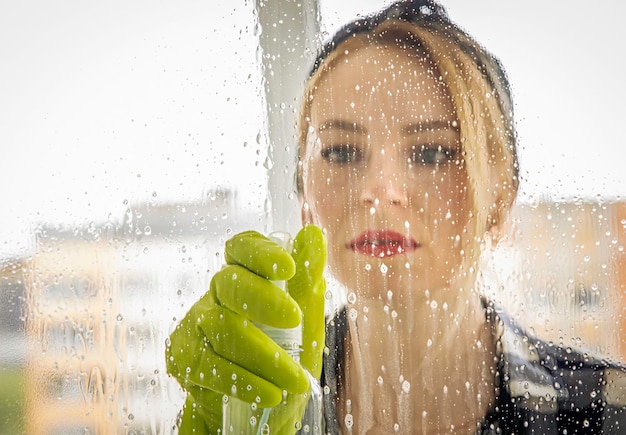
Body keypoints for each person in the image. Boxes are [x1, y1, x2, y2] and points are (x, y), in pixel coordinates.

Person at [166, 0, 626, 433]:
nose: (377, 190)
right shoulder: (257, 400)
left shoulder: (608, 410)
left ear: (499, 201)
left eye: (431, 153)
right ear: (305, 197)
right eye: (342, 152)